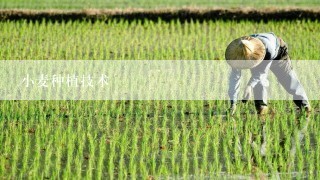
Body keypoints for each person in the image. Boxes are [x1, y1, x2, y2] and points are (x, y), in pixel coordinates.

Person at [225, 32, 311, 115]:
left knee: (287, 79)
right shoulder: (236, 55)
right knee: (259, 84)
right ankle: (262, 107)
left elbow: (261, 73)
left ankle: (304, 104)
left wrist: (249, 86)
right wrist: (233, 102)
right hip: (257, 54)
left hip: (277, 52)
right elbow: (234, 78)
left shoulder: (268, 49)